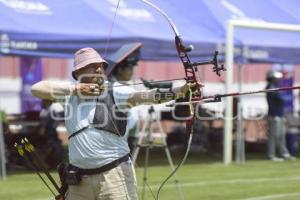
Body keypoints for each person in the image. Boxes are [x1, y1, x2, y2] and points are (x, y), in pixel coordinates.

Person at [31, 47, 202, 200]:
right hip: (78, 181)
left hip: (114, 177)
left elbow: (146, 96)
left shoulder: (115, 90)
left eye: (101, 65)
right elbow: (36, 89)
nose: (99, 68)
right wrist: (75, 89)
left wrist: (180, 91)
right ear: (78, 72)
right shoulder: (68, 94)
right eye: (92, 65)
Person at [105, 43, 142, 153]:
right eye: (129, 68)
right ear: (120, 70)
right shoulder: (111, 87)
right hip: (111, 143)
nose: (132, 72)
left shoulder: (125, 87)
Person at [265, 70, 294, 161]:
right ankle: (271, 155)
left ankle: (284, 154)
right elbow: (281, 99)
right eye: (276, 78)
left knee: (281, 136)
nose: (278, 80)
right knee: (274, 136)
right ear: (272, 79)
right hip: (274, 115)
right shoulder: (271, 87)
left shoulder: (276, 87)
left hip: (280, 114)